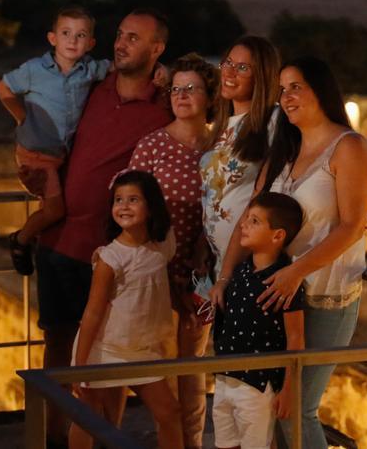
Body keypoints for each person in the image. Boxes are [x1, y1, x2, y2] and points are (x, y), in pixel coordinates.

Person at [216, 56, 367, 449]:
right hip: (270, 299)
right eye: (282, 89)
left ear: (320, 89)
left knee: (298, 410)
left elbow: (352, 226)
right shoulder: (284, 153)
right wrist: (225, 278)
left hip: (324, 296)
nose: (286, 97)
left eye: (296, 87)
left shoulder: (349, 148)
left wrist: (295, 272)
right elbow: (248, 219)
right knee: (269, 407)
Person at [36, 9, 171, 445]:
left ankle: (104, 441)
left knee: (109, 362)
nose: (121, 43)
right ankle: (53, 438)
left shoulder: (164, 106)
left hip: (112, 254)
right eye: (119, 34)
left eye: (134, 38)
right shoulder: (91, 85)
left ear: (157, 50)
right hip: (59, 242)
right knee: (57, 348)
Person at [127, 53, 219, 448]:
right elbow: (128, 205)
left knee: (193, 366)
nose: (182, 96)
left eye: (192, 89)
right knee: (161, 368)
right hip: (156, 273)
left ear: (209, 96)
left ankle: (192, 442)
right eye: (177, 88)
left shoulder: (221, 147)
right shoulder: (152, 147)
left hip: (203, 274)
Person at [69, 170, 181, 449]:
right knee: (88, 416)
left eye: (133, 199)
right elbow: (93, 312)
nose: (124, 206)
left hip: (142, 349)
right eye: (118, 200)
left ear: (151, 205)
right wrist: (80, 367)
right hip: (105, 348)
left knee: (169, 412)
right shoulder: (110, 258)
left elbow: (163, 284)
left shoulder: (164, 243)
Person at [0, 7, 108, 276]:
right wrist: (22, 117)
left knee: (52, 206)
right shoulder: (36, 69)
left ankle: (44, 247)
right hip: (36, 152)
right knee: (56, 210)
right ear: (52, 38)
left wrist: (160, 70)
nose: (73, 40)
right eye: (66, 33)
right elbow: (4, 88)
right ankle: (21, 240)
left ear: (91, 43)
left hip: (60, 153)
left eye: (80, 35)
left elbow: (118, 68)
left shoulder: (90, 70)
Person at [212, 192, 307, 449]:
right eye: (246, 219)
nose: (243, 225)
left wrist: (288, 389)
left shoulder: (284, 282)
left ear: (278, 235)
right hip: (224, 375)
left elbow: (295, 337)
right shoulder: (241, 270)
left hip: (257, 384)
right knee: (224, 443)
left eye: (254, 221)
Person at [200, 36, 281, 277]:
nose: (230, 72)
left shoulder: (273, 121)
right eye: (227, 63)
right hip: (216, 263)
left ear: (262, 76)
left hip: (248, 264)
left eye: (243, 68)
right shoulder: (220, 125)